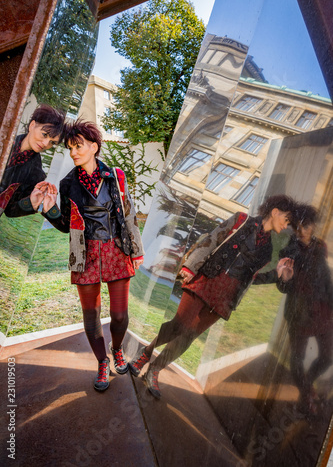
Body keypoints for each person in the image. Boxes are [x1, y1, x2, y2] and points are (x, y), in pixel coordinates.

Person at [129, 194, 296, 399]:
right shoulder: (241, 220)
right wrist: (191, 266)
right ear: (275, 211)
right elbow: (212, 239)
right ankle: (146, 353)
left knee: (189, 336)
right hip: (207, 279)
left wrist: (277, 274)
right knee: (179, 325)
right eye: (286, 219)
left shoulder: (268, 249)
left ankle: (155, 370)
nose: (287, 225)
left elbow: (252, 278)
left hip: (226, 297)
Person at [40, 120, 144, 392]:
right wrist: (49, 209)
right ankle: (101, 361)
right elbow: (65, 224)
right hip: (84, 255)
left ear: (94, 147)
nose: (73, 152)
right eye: (70, 148)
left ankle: (117, 348)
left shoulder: (116, 176)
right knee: (91, 317)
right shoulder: (68, 184)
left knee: (120, 316)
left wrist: (137, 250)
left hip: (116, 251)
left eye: (79, 146)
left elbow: (129, 214)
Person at [276, 204, 333, 414]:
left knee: (327, 357)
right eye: (296, 226)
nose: (300, 231)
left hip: (323, 310)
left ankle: (306, 390)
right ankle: (307, 395)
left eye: (305, 225)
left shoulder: (321, 247)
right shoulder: (288, 249)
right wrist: (285, 278)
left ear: (313, 226)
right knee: (297, 358)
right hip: (299, 312)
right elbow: (283, 286)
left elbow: (325, 277)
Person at [0, 104, 65, 217]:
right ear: (32, 125)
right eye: (44, 135)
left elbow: (10, 210)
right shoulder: (4, 137)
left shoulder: (36, 174)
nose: (46, 144)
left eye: (52, 142)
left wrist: (31, 202)